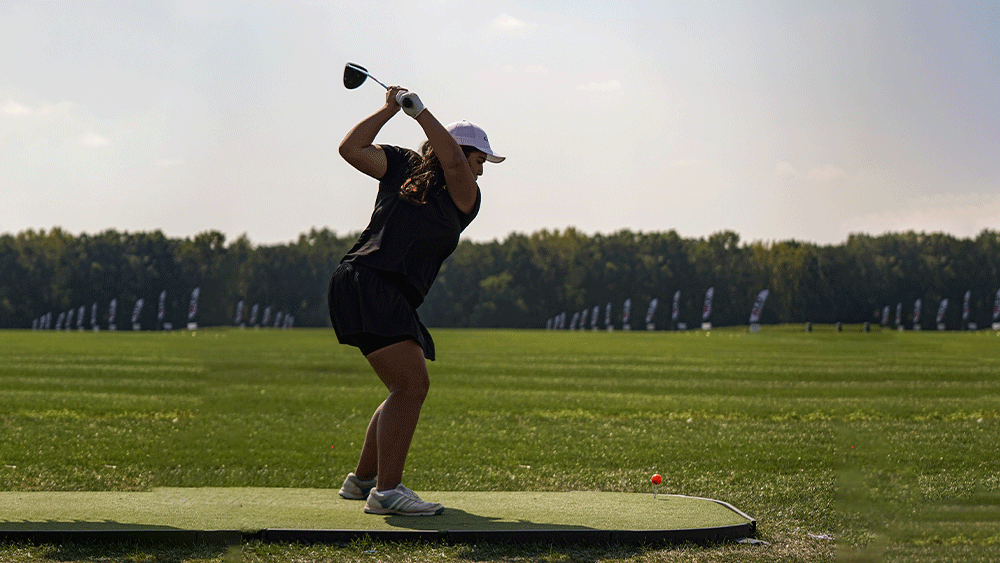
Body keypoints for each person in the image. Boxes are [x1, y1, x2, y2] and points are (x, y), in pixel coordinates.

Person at [330, 85, 504, 516]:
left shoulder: (466, 197)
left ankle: (363, 480)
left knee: (401, 387)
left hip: (379, 289)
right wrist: (390, 109)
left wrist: (422, 113)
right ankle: (387, 492)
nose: (480, 172)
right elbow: (351, 149)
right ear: (466, 152)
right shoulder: (404, 164)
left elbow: (451, 163)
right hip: (367, 280)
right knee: (411, 385)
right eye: (480, 160)